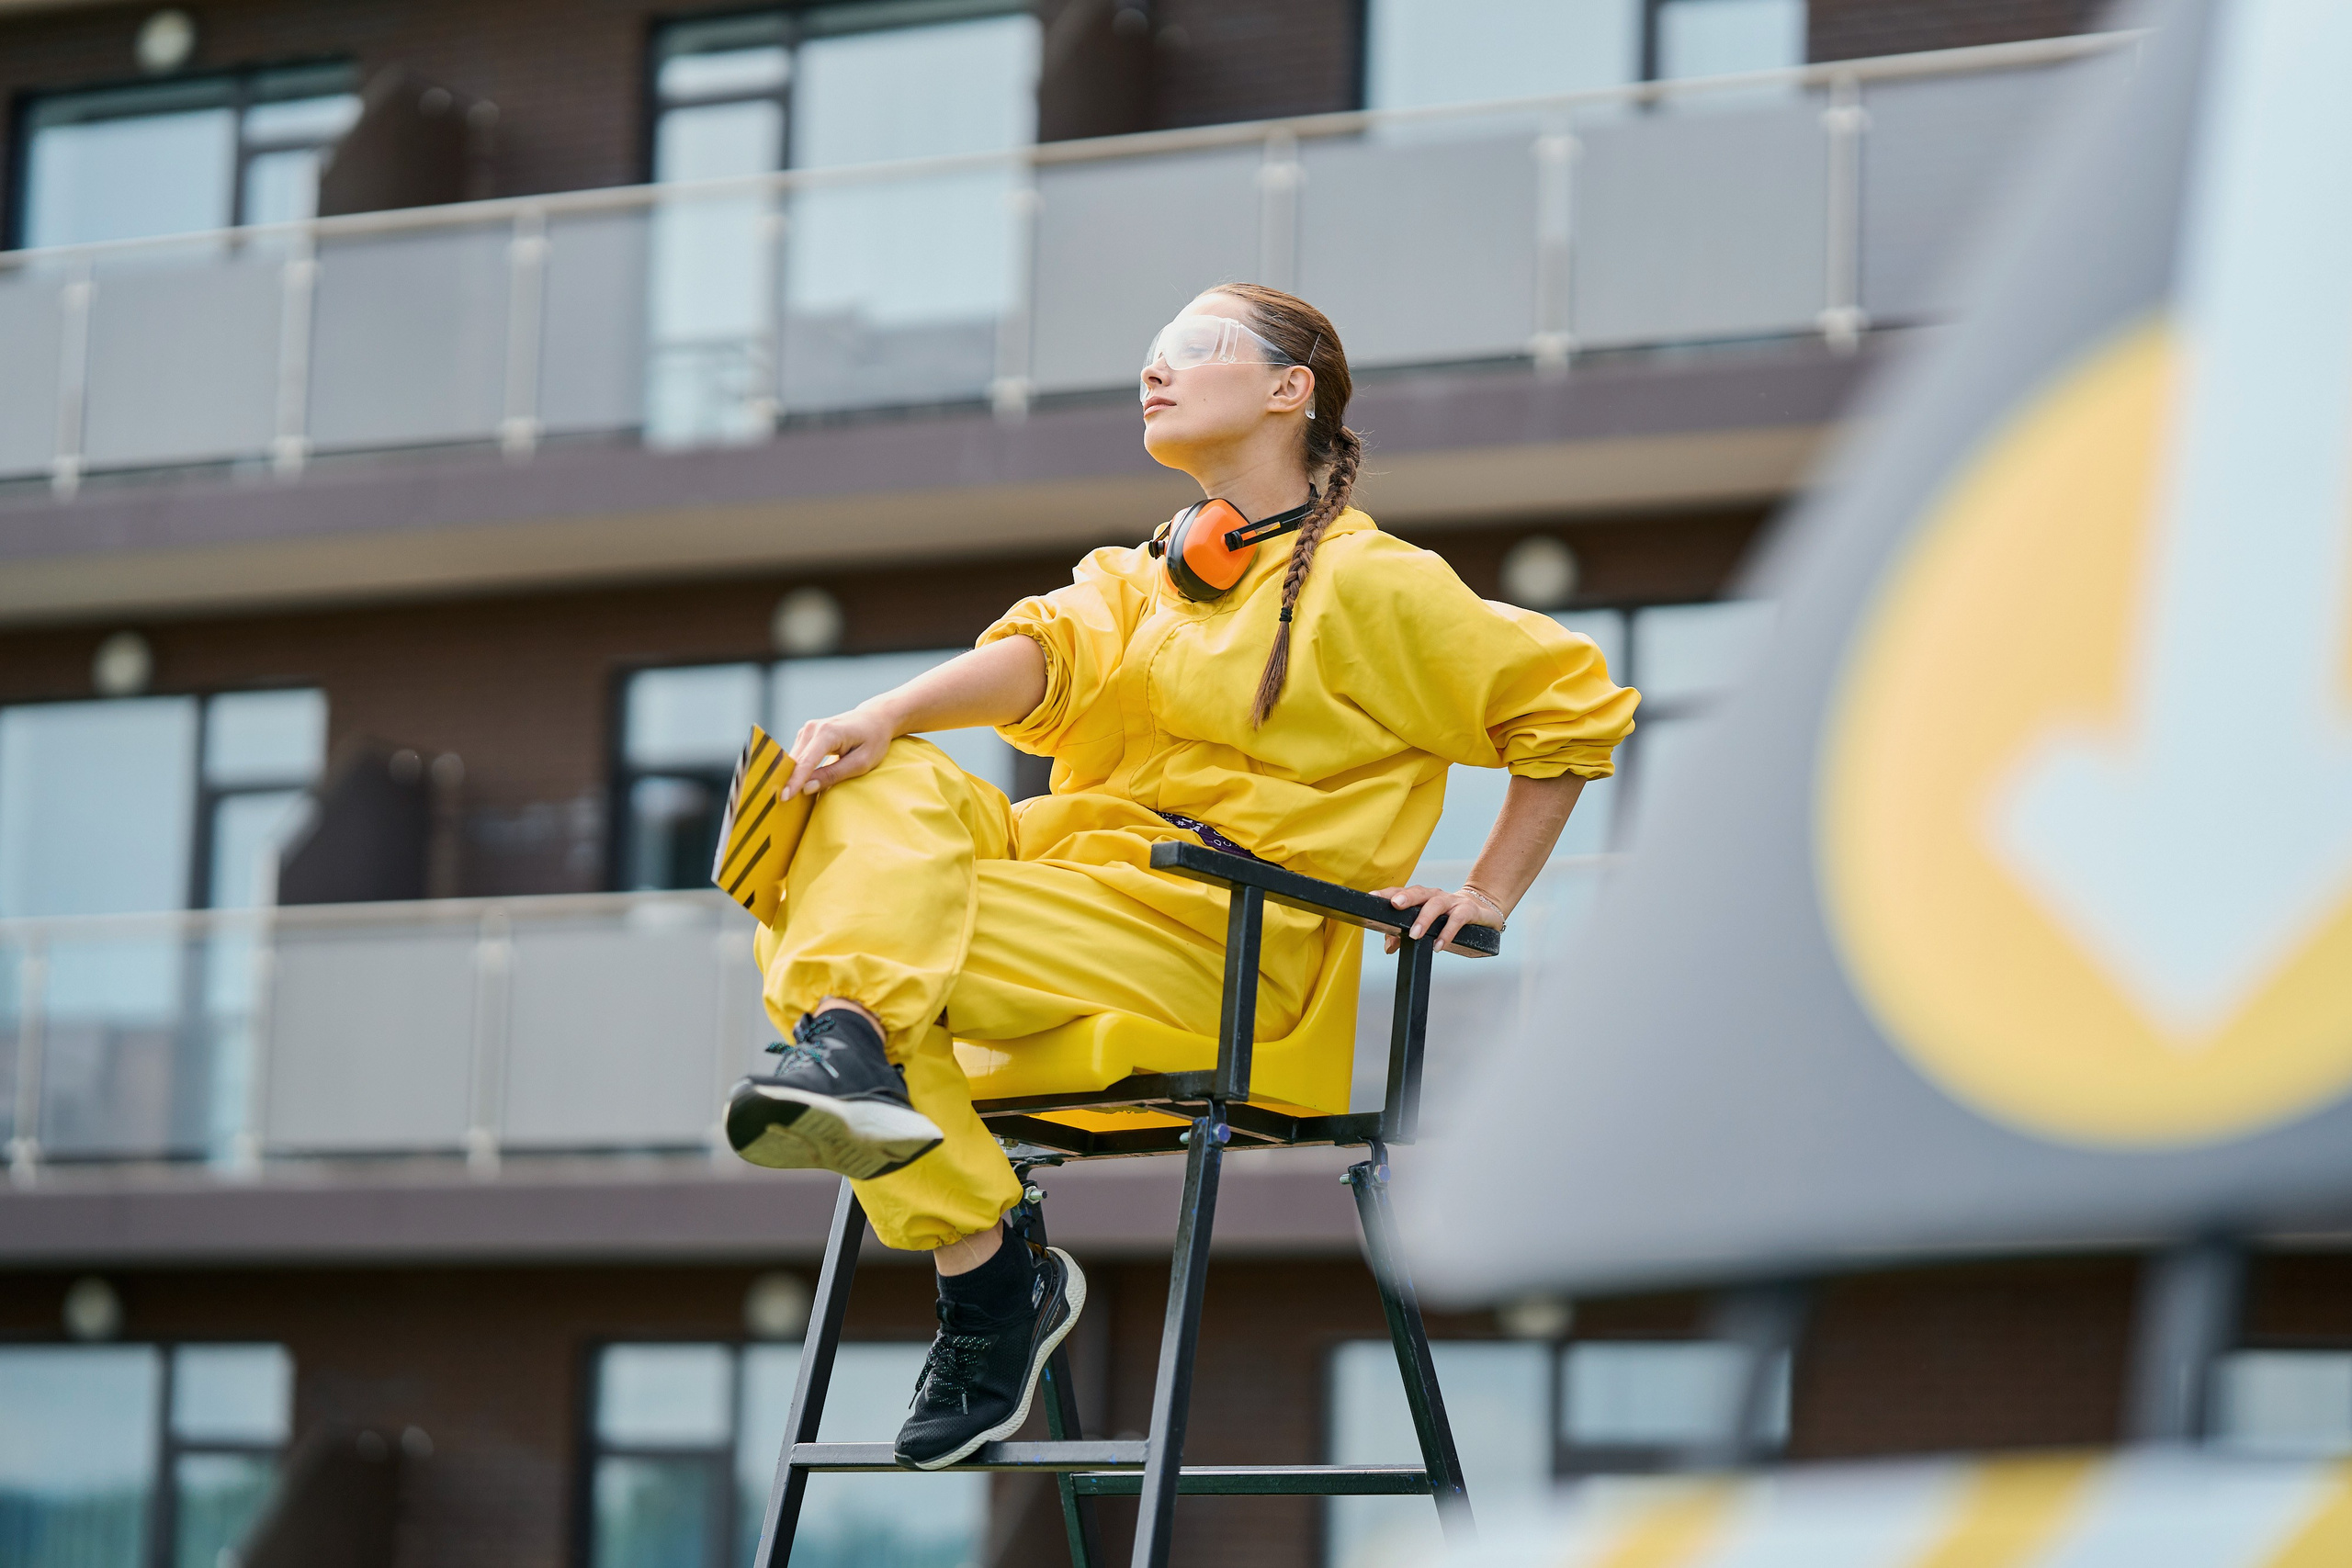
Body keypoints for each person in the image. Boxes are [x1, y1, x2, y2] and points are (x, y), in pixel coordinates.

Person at [722, 283, 1639, 1470]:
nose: (1154, 371)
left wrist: (1491, 891)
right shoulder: (1148, 571)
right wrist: (883, 713)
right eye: (1148, 354)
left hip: (1217, 939)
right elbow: (1040, 656)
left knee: (825, 928)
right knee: (859, 796)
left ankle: (979, 1265)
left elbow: (1566, 707)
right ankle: (922, 1158)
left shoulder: (1374, 585)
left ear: (1287, 388)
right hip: (1077, 887)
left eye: (1192, 350)